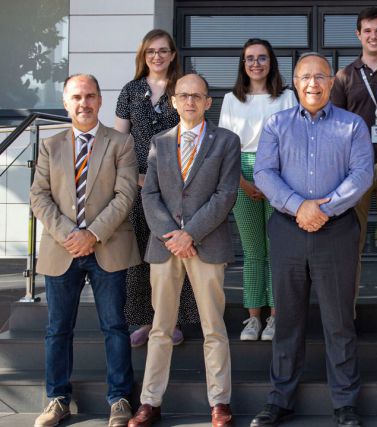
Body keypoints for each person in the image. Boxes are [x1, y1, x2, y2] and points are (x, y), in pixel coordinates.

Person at [250, 52, 373, 427]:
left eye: (320, 76)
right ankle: (280, 398)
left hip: (336, 230)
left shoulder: (352, 125)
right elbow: (264, 173)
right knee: (288, 319)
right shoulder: (276, 124)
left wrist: (325, 208)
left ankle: (346, 403)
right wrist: (299, 206)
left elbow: (362, 174)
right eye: (305, 77)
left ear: (331, 80)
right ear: (295, 81)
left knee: (338, 321)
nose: (313, 84)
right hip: (287, 229)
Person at [128, 74, 240, 427]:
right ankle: (150, 402)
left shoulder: (226, 141)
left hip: (206, 244)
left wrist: (189, 234)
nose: (190, 101)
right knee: (160, 328)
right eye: (183, 96)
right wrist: (171, 235)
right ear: (174, 102)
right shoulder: (160, 143)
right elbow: (149, 194)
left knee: (213, 327)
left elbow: (225, 195)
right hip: (165, 248)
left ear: (208, 103)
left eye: (197, 96)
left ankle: (219, 402)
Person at [30, 74, 140, 427]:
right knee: (57, 329)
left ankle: (120, 398)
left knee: (115, 326)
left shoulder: (121, 143)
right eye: (76, 97)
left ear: (100, 100)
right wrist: (70, 235)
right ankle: (57, 399)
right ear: (65, 102)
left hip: (108, 246)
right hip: (62, 249)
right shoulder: (51, 146)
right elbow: (38, 197)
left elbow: (125, 196)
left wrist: (91, 234)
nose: (84, 103)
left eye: (90, 96)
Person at [115, 29, 197, 347]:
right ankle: (147, 321)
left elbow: (192, 133)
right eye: (151, 51)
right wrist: (132, 176)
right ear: (144, 55)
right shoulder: (130, 91)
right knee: (140, 254)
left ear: (173, 54)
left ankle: (172, 319)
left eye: (163, 51)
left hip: (178, 185)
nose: (157, 56)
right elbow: (120, 141)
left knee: (173, 252)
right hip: (137, 185)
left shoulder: (182, 89)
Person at [219, 38, 297, 341]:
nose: (255, 63)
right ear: (243, 63)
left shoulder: (286, 97)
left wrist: (271, 181)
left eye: (262, 58)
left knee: (276, 248)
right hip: (241, 174)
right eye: (250, 58)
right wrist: (243, 181)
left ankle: (276, 317)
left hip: (278, 172)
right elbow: (226, 146)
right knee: (253, 251)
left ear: (271, 62)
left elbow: (291, 144)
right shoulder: (231, 99)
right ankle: (253, 318)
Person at [331, 6, 377, 307]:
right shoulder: (344, 76)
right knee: (352, 245)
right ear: (358, 35)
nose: (373, 36)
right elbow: (334, 126)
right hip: (356, 169)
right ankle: (347, 317)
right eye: (367, 31)